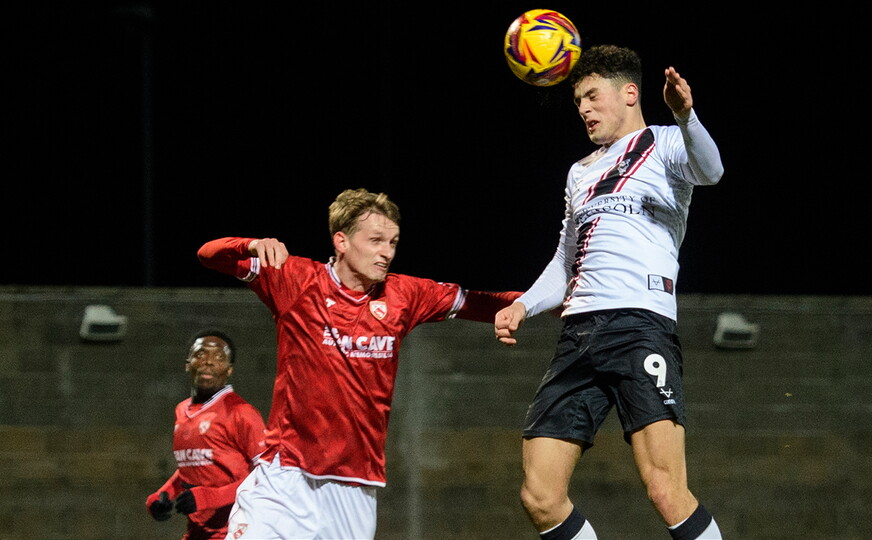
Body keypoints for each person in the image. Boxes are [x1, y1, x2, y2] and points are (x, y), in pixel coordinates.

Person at [197, 188, 521, 539]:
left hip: (356, 485)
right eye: (377, 240)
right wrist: (250, 244)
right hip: (286, 476)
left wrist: (541, 303)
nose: (387, 253)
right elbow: (209, 255)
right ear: (342, 241)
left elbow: (480, 303)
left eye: (393, 243)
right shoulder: (295, 279)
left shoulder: (404, 295)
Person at [494, 44, 724, 540]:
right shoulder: (580, 172)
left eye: (592, 96)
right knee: (540, 494)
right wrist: (522, 304)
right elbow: (564, 259)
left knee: (665, 490)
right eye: (578, 101)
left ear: (629, 94)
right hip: (578, 334)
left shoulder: (664, 144)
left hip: (640, 327)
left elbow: (712, 171)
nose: (584, 109)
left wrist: (686, 115)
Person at [145, 329, 266, 540]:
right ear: (187, 363)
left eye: (219, 357)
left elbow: (268, 476)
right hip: (198, 532)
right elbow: (192, 467)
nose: (208, 362)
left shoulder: (241, 412)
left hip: (238, 530)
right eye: (201, 355)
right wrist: (163, 494)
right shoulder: (181, 410)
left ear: (229, 370)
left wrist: (211, 497)